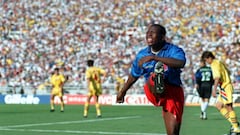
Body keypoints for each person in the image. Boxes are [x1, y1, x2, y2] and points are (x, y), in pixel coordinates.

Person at [116, 24, 186, 135]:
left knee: (173, 133)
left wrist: (154, 58)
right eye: (148, 32)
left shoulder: (174, 50)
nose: (149, 34)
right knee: (154, 77)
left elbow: (181, 63)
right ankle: (157, 79)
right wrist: (122, 91)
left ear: (162, 37)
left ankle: (159, 78)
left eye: (153, 32)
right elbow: (134, 75)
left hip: (173, 92)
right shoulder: (142, 55)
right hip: (152, 88)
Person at [201, 51, 240, 134]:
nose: (207, 62)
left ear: (209, 58)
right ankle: (234, 124)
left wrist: (214, 89)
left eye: (206, 60)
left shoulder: (214, 64)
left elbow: (217, 77)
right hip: (224, 87)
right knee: (218, 105)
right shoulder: (219, 62)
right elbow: (228, 71)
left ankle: (236, 128)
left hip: (225, 86)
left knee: (228, 107)